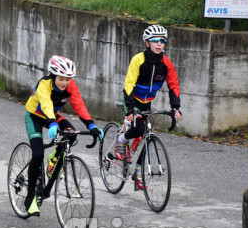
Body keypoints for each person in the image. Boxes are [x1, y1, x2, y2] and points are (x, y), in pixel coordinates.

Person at [23, 55, 103, 216]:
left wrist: (91, 124)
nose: (65, 83)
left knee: (71, 134)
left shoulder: (70, 86)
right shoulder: (44, 84)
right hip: (35, 116)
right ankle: (30, 198)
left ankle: (54, 159)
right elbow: (45, 103)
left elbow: (78, 104)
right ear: (53, 76)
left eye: (68, 79)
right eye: (61, 79)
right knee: (38, 154)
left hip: (53, 115)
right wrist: (52, 122)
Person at [115, 25, 182, 189]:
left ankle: (138, 173)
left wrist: (175, 107)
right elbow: (129, 84)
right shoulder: (138, 60)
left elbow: (173, 85)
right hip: (132, 99)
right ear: (147, 43)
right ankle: (121, 140)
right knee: (138, 130)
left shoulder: (166, 63)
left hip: (147, 102)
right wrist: (130, 108)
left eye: (162, 41)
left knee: (145, 136)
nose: (159, 44)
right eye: (155, 41)